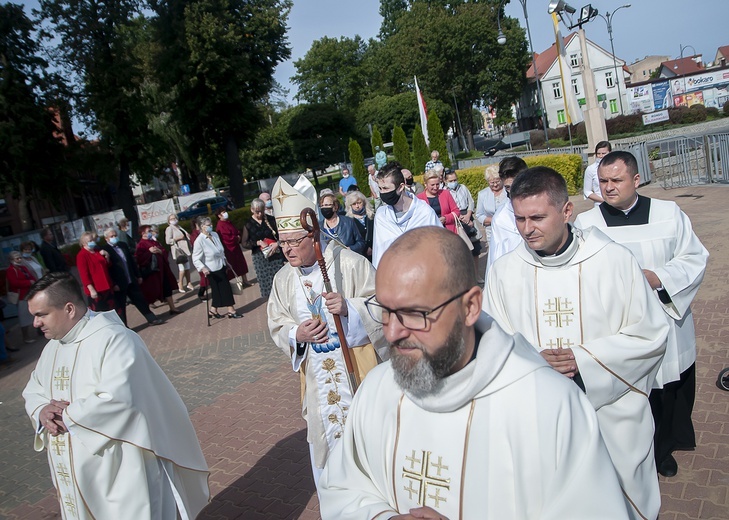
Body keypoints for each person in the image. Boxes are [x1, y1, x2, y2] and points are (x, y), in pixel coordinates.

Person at [318, 227, 629, 520]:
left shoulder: (549, 405)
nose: (393, 332)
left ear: (470, 307)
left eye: (415, 314)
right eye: (385, 311)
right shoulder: (377, 390)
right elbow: (341, 488)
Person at [483, 167, 669, 520]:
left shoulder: (613, 261)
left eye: (537, 217)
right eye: (519, 218)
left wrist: (584, 360)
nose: (527, 229)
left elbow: (651, 335)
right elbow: (491, 343)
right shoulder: (505, 272)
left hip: (610, 419)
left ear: (567, 212)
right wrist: (532, 362)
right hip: (539, 422)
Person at [22, 272, 209, 519]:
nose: (36, 324)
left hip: (120, 468)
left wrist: (66, 416)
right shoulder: (53, 347)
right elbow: (33, 389)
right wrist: (42, 411)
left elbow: (120, 398)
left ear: (68, 309)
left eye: (41, 315)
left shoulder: (114, 339)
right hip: (74, 467)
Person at [575, 150, 709, 478]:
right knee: (628, 395)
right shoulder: (586, 223)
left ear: (636, 180)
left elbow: (694, 257)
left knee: (666, 392)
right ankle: (632, 458)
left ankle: (663, 451)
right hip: (616, 325)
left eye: (616, 180)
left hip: (665, 318)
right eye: (603, 181)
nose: (608, 187)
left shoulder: (668, 213)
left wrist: (658, 277)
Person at [267, 177, 387, 489]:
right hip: (318, 385)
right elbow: (277, 323)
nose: (288, 250)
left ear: (314, 235)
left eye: (295, 242)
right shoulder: (283, 280)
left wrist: (350, 309)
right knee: (329, 459)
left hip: (358, 374)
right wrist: (296, 335)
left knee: (368, 452)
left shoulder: (348, 264)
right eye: (283, 242)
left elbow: (384, 307)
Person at [371, 162, 441, 268]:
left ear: (400, 187)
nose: (382, 193)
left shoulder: (424, 213)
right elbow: (378, 254)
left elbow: (439, 248)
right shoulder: (381, 216)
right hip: (393, 277)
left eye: (386, 188)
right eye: (380, 189)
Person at [101, 228, 162, 327]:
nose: (114, 238)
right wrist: (114, 284)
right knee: (121, 306)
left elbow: (131, 262)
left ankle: (151, 318)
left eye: (115, 235)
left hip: (131, 279)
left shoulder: (123, 245)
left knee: (140, 300)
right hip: (119, 283)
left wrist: (138, 275)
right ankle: (124, 326)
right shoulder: (105, 250)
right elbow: (107, 270)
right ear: (106, 239)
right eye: (111, 236)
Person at [192, 217, 243, 319]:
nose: (211, 226)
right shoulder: (199, 241)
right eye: (208, 225)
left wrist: (226, 262)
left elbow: (220, 251)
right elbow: (195, 258)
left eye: (211, 224)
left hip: (221, 266)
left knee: (217, 291)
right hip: (211, 269)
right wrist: (203, 268)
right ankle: (231, 310)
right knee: (225, 289)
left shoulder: (215, 235)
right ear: (202, 227)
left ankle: (213, 310)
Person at [485, 156, 528, 275]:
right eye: (508, 188)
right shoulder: (501, 219)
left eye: (517, 185)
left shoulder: (544, 205)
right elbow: (495, 261)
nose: (513, 192)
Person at [135, 225, 183, 316]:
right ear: (143, 233)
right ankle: (149, 313)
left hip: (163, 270)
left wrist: (160, 251)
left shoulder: (153, 241)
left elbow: (164, 250)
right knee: (152, 292)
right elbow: (139, 259)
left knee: (167, 288)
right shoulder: (141, 244)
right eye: (149, 231)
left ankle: (172, 308)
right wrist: (149, 252)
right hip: (153, 273)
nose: (151, 232)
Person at [244, 199, 286, 300]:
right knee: (267, 285)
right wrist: (257, 242)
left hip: (275, 254)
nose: (259, 214)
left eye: (261, 211)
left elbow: (282, 235)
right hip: (260, 258)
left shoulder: (271, 220)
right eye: (257, 211)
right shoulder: (248, 224)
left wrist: (277, 244)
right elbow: (244, 243)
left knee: (280, 281)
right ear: (252, 210)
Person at [445, 169, 482, 275]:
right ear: (446, 181)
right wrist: (460, 217)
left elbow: (470, 201)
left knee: (475, 249)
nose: (454, 182)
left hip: (468, 215)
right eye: (451, 180)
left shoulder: (463, 188)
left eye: (455, 179)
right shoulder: (445, 191)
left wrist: (468, 215)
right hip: (456, 219)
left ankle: (476, 274)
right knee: (462, 249)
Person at [76, 232, 115, 312]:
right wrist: (91, 289)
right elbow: (84, 275)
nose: (92, 242)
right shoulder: (82, 255)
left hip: (107, 286)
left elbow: (107, 265)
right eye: (90, 241)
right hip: (96, 288)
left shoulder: (97, 251)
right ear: (84, 243)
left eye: (93, 240)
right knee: (100, 311)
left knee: (112, 309)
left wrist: (106, 255)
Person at [7, 251, 39, 344]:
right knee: (24, 317)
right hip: (21, 295)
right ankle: (26, 336)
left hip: (29, 293)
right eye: (17, 258)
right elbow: (14, 283)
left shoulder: (23, 267)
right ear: (11, 260)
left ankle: (37, 331)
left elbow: (30, 276)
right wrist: (28, 282)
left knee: (33, 314)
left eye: (20, 258)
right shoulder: (11, 270)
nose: (20, 260)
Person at [215, 206, 250, 286]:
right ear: (219, 215)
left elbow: (235, 230)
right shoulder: (220, 225)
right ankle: (234, 283)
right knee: (232, 266)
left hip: (236, 247)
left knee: (241, 264)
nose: (225, 213)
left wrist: (238, 235)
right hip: (229, 249)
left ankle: (245, 280)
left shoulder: (228, 222)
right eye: (223, 212)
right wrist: (235, 238)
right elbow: (225, 237)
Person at [475, 164, 508, 245]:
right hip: (491, 231)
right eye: (492, 182)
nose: (495, 185)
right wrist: (493, 220)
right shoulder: (482, 194)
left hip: (508, 229)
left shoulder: (508, 191)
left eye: (497, 181)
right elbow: (479, 214)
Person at [164, 213, 194, 293]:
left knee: (187, 267)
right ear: (169, 221)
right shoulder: (169, 228)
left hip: (185, 249)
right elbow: (168, 241)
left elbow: (185, 235)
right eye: (171, 219)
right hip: (178, 251)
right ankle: (180, 283)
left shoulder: (179, 227)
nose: (174, 220)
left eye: (175, 218)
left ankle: (189, 282)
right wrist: (178, 238)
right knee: (182, 269)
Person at [344, 191, 374, 260]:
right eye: (354, 204)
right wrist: (366, 248)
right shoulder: (348, 221)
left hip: (375, 252)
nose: (357, 206)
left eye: (359, 203)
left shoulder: (372, 217)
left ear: (364, 202)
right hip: (360, 256)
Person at [583, 141, 611, 207]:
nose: (601, 156)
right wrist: (604, 201)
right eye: (598, 154)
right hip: (600, 205)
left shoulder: (616, 167)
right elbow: (587, 192)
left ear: (610, 153)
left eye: (604, 153)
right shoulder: (591, 169)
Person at [190, 217, 210, 301]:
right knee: (204, 277)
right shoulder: (194, 235)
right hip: (201, 259)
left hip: (208, 258)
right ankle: (201, 293)